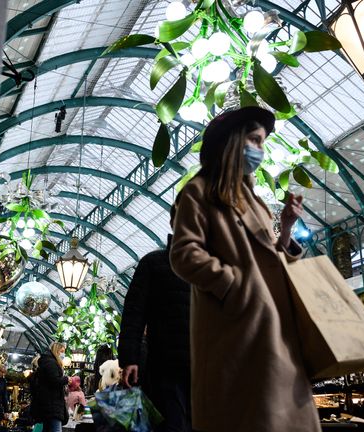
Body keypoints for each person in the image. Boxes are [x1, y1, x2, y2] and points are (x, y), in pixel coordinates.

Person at [170, 106, 315, 432]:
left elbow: (269, 260)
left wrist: (286, 230)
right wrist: (235, 286)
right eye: (254, 140)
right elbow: (184, 253)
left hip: (272, 327)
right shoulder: (198, 192)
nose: (259, 150)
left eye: (262, 143)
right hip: (235, 330)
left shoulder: (254, 200)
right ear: (232, 142)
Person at [119, 202, 191, 432]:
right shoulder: (153, 263)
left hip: (205, 369)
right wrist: (129, 358)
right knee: (173, 425)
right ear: (173, 223)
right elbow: (134, 312)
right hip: (165, 367)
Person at [31, 342, 69, 432]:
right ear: (56, 350)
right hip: (52, 406)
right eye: (62, 351)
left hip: (48, 406)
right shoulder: (51, 363)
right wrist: (66, 379)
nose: (63, 354)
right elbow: (55, 381)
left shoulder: (47, 362)